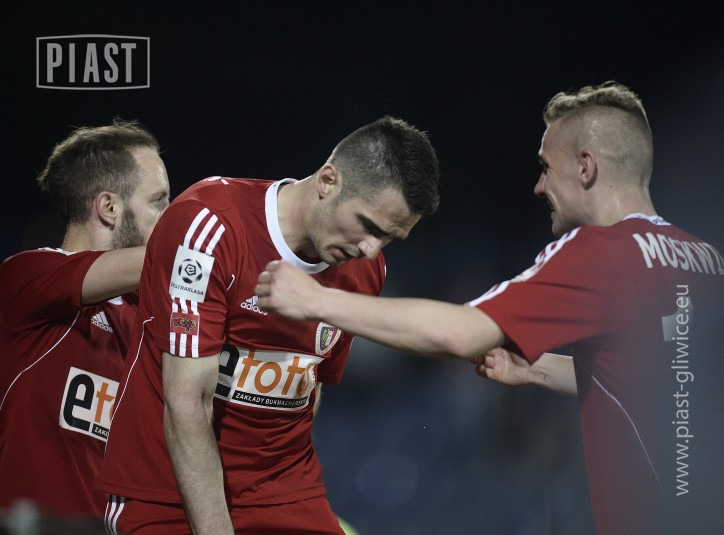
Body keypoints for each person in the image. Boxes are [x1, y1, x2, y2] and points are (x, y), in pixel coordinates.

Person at [256, 82, 724, 534]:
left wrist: (318, 299)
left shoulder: (601, 253)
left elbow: (463, 333)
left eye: (546, 166)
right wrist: (535, 370)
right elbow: (660, 381)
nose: (539, 186)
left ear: (586, 167)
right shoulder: (703, 260)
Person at [95, 116, 440, 534]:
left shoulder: (366, 270)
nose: (371, 249)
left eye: (388, 238)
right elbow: (187, 401)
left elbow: (310, 386)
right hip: (165, 491)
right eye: (368, 226)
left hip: (284, 493)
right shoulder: (209, 225)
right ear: (328, 181)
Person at [0, 119, 170, 519]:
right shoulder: (25, 278)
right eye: (159, 202)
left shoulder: (145, 317)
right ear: (109, 208)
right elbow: (170, 256)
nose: (171, 217)